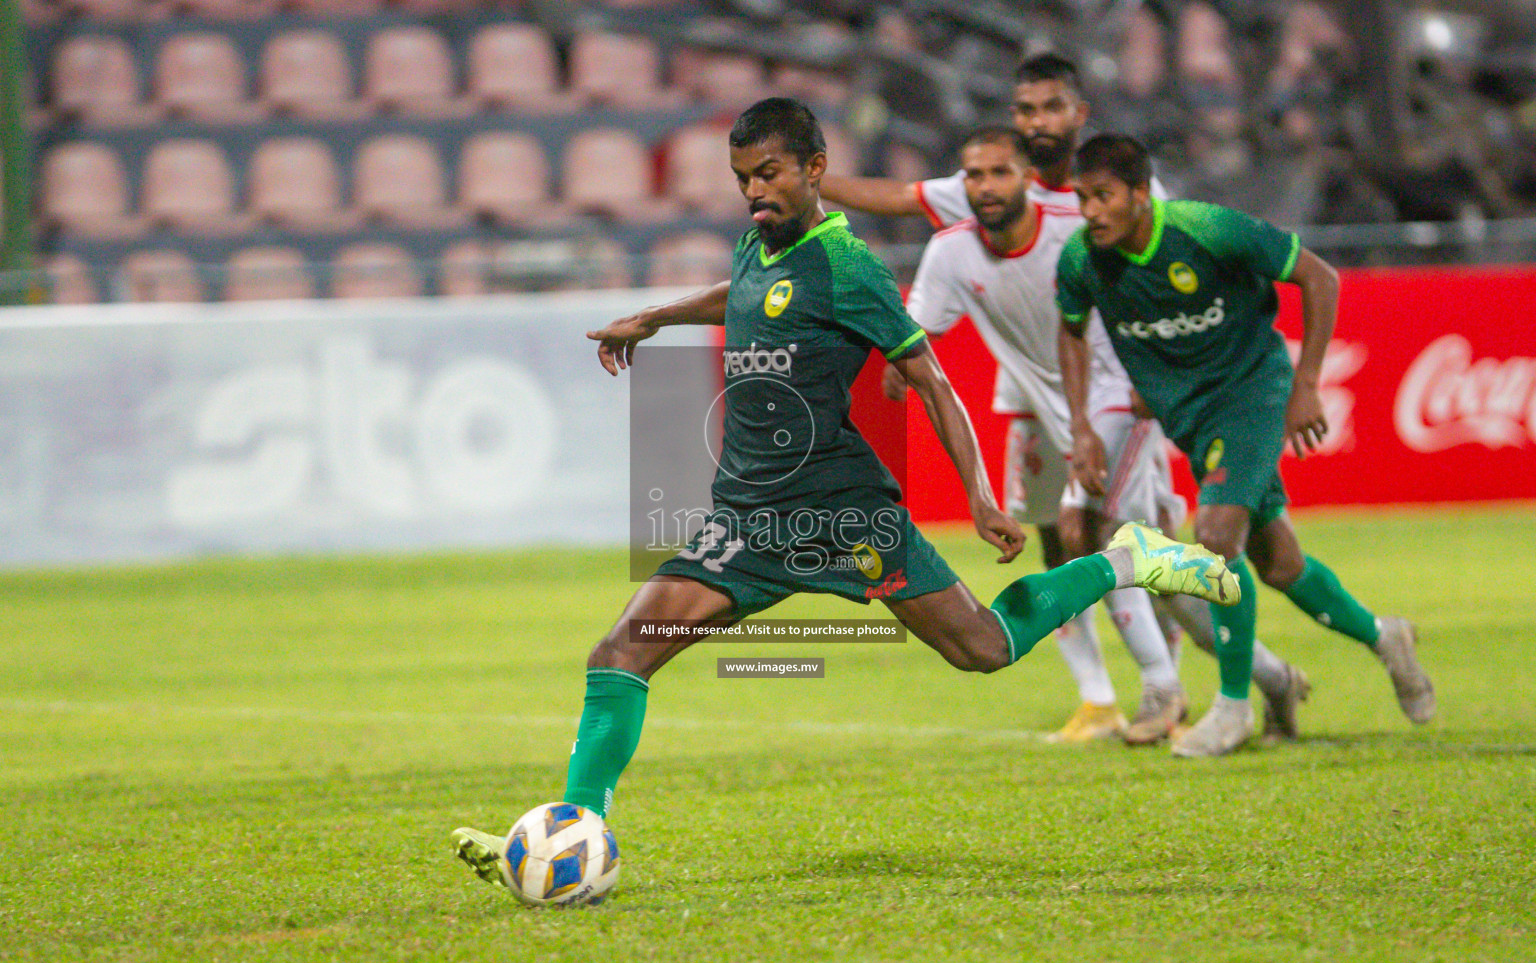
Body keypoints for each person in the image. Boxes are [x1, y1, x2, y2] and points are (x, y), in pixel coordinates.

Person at [450, 99, 1239, 884]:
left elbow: (931, 381)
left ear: (815, 170)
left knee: (983, 648)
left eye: (769, 175)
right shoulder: (761, 245)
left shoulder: (848, 266)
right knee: (620, 655)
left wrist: (981, 496)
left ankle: (1126, 560)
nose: (755, 192)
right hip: (747, 519)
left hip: (843, 514)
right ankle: (570, 832)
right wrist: (655, 317)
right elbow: (743, 294)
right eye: (742, 179)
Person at [823, 53, 1307, 744]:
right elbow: (901, 199)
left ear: (1076, 117)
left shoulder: (1109, 201)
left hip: (1121, 390)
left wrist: (1165, 373)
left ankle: (1169, 690)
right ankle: (1259, 676)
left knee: (1109, 538)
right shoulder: (976, 202)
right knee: (1114, 553)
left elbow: (1165, 272)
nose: (1036, 123)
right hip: (1039, 397)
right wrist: (815, 188)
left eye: (1049, 108)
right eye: (1026, 109)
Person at [1055, 132, 1435, 758]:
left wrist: (1307, 384)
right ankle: (1383, 636)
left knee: (1215, 534)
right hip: (1190, 416)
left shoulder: (1207, 229)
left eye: (1104, 196)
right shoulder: (1080, 261)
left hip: (1253, 392)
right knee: (1280, 564)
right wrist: (1081, 428)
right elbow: (1070, 334)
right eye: (1082, 197)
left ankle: (1230, 707)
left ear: (1141, 193)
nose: (1091, 211)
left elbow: (1320, 277)